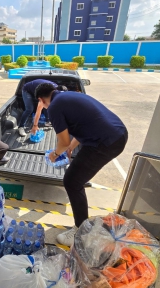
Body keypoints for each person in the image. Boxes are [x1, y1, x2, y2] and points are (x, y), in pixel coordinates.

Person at [35, 83, 128, 246]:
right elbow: (83, 125)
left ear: (41, 100)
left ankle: (80, 231)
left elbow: (62, 141)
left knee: (72, 181)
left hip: (106, 142)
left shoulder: (54, 107)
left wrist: (54, 154)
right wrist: (71, 147)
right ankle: (82, 226)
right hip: (118, 133)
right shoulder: (70, 96)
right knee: (75, 179)